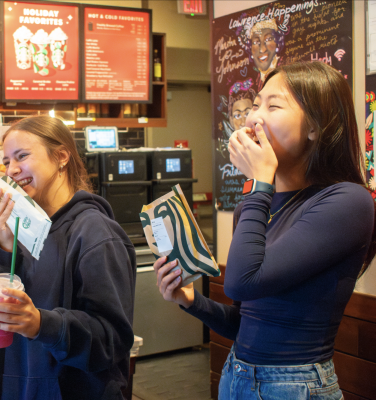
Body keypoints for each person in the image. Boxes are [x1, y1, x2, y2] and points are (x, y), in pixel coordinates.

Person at [154, 61, 376, 399]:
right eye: (256, 104)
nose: (254, 117)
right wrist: (190, 300)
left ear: (315, 127)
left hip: (296, 384)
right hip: (237, 374)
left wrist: (259, 182)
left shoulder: (348, 201)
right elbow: (243, 323)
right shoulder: (253, 204)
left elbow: (242, 280)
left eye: (273, 106)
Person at [0, 116, 136, 400]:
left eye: (22, 156)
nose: (11, 170)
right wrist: (4, 246)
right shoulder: (28, 229)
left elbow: (112, 340)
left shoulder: (96, 233)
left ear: (61, 156)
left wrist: (41, 323)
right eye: (6, 162)